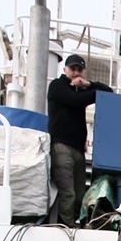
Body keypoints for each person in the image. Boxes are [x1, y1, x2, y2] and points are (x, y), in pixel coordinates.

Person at [47, 54, 112, 227]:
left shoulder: (81, 90)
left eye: (79, 69)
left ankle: (70, 225)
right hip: (62, 147)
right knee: (67, 193)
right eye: (72, 69)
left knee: (78, 195)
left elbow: (108, 92)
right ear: (65, 70)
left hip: (78, 150)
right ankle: (66, 228)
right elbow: (75, 101)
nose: (76, 72)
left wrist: (89, 85)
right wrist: (91, 93)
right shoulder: (57, 86)